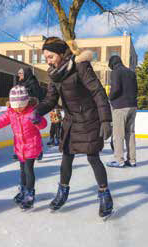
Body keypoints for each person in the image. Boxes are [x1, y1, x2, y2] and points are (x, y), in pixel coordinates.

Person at [29, 37, 113, 218]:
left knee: (93, 157)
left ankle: (105, 194)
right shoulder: (54, 74)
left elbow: (98, 92)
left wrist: (106, 120)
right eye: (46, 58)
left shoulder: (80, 66)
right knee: (66, 157)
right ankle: (63, 192)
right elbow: (50, 100)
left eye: (50, 57)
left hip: (90, 119)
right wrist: (37, 111)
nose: (48, 61)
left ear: (60, 53)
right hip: (71, 121)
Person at [0, 85, 47, 209]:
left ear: (26, 102)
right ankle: (23, 190)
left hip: (32, 145)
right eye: (16, 107)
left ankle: (30, 194)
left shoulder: (32, 112)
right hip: (19, 146)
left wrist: (38, 121)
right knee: (22, 170)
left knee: (28, 169)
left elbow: (43, 125)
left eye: (21, 106)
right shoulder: (11, 112)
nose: (18, 109)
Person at [106, 55, 138, 168]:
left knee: (118, 134)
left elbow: (116, 89)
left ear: (112, 64)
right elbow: (136, 90)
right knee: (130, 133)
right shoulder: (131, 72)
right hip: (133, 106)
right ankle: (132, 160)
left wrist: (109, 98)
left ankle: (119, 160)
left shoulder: (116, 72)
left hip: (120, 107)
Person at [13, 67, 47, 161]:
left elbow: (38, 96)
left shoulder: (33, 83)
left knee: (34, 131)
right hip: (21, 109)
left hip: (32, 110)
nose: (19, 74)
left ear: (26, 73)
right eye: (18, 73)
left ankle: (39, 151)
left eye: (21, 73)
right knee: (20, 130)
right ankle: (19, 151)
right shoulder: (20, 83)